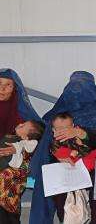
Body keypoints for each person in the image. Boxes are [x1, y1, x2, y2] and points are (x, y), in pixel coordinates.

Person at [29, 71, 96, 224]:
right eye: (74, 87)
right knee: (52, 191)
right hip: (60, 164)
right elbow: (46, 143)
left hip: (90, 165)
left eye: (84, 87)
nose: (78, 92)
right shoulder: (57, 113)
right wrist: (59, 156)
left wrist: (81, 132)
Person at [0, 68, 41, 224]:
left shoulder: (23, 115)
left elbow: (37, 141)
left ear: (15, 88)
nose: (2, 89)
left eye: (8, 85)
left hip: (11, 176)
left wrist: (17, 148)